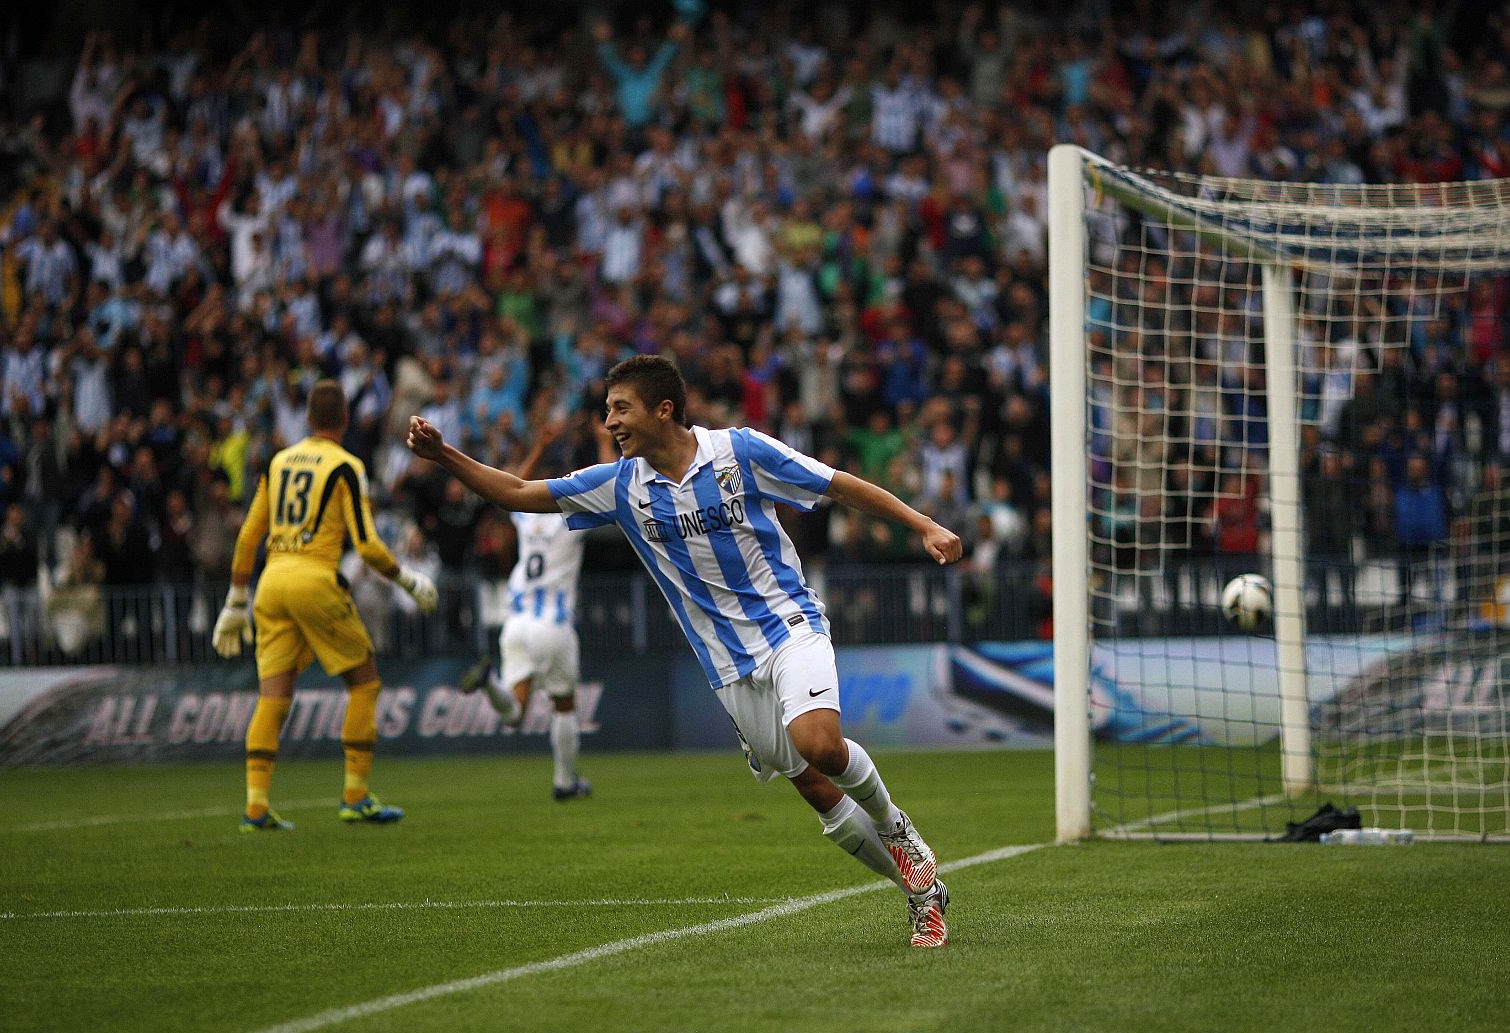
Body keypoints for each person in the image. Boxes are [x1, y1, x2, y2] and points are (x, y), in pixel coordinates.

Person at [408, 354, 963, 949]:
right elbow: (518, 492)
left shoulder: (739, 452)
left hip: (788, 624)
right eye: (607, 410)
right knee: (816, 793)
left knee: (820, 744)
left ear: (663, 410)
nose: (610, 422)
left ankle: (897, 829)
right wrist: (444, 455)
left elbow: (835, 484)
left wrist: (922, 523)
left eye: (620, 409)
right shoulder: (620, 485)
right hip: (725, 662)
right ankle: (921, 894)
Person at [213, 380, 438, 832]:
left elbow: (248, 536)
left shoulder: (278, 461)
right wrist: (408, 579)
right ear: (345, 420)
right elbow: (366, 544)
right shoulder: (346, 465)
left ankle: (255, 807)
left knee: (272, 697)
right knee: (364, 682)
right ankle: (355, 796)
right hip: (314, 578)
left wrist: (236, 599)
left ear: (308, 419)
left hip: (271, 582)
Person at [459, 422, 593, 801]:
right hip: (553, 624)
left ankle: (489, 683)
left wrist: (538, 447)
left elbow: (513, 485)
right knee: (563, 705)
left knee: (514, 714)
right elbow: (609, 488)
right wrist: (601, 442)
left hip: (516, 623)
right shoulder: (572, 520)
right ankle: (565, 783)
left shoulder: (527, 518)